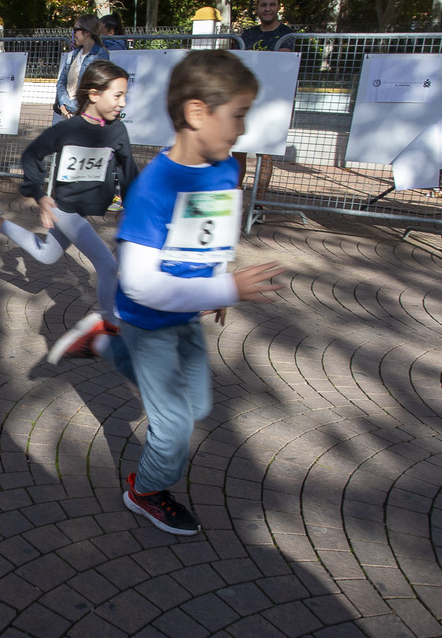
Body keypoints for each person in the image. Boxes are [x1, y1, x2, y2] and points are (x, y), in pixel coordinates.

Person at [49, 50, 284, 536]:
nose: (241, 129)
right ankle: (146, 491)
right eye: (237, 115)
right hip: (147, 319)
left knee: (195, 407)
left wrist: (219, 275)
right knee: (174, 425)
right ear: (197, 113)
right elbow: (136, 282)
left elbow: (214, 233)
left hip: (186, 314)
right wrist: (226, 286)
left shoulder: (222, 169)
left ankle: (103, 341)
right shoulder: (155, 189)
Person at [0, 61, 137, 325]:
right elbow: (33, 154)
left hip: (81, 209)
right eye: (117, 95)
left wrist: (133, 207)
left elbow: (128, 169)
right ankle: (110, 322)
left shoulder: (117, 130)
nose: (122, 103)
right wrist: (39, 195)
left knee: (46, 254)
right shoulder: (69, 128)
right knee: (108, 266)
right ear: (95, 94)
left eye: (125, 96)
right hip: (65, 209)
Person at [236, 0, 293, 193]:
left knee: (265, 154)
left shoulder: (286, 34)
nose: (267, 9)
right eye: (263, 5)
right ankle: (235, 199)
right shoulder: (248, 34)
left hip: (272, 102)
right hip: (247, 99)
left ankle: (258, 204)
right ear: (258, 8)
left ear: (278, 7)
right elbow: (239, 62)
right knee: (238, 151)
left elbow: (283, 64)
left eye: (272, 5)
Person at [54, 15, 110, 121]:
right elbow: (61, 82)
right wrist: (63, 103)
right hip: (67, 114)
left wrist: (70, 107)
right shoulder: (72, 55)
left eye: (76, 30)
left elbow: (95, 89)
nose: (73, 34)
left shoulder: (101, 55)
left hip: (86, 116)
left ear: (87, 32)